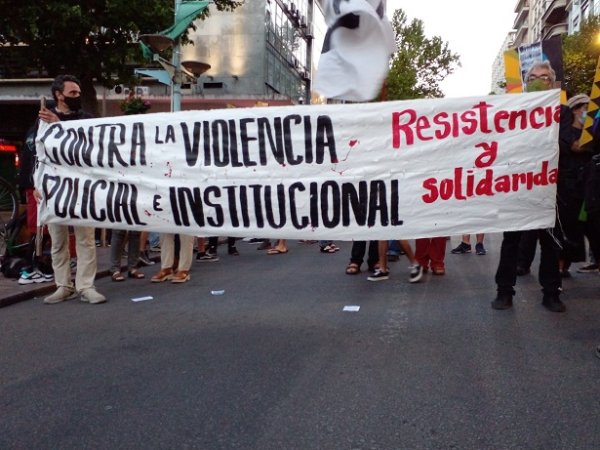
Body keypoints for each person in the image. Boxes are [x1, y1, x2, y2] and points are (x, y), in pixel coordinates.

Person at [491, 60, 564, 313]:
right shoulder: (513, 113)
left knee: (550, 244)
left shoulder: (561, 113)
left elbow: (567, 147)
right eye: (532, 77)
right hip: (517, 188)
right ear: (525, 82)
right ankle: (504, 292)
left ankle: (551, 293)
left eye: (543, 78)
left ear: (552, 83)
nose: (537, 81)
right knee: (511, 242)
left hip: (549, 191)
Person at [37, 75, 106, 304]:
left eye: (78, 93)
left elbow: (86, 149)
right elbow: (37, 154)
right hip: (54, 190)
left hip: (81, 189)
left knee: (85, 239)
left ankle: (86, 286)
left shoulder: (86, 120)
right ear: (59, 95)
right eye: (73, 93)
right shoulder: (42, 120)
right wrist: (36, 184)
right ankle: (63, 285)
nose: (77, 96)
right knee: (58, 240)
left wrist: (59, 125)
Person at [557, 93, 600, 277]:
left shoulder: (593, 134)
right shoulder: (565, 133)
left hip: (589, 190)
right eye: (585, 109)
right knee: (568, 230)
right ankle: (560, 267)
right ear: (574, 110)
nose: (587, 114)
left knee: (594, 229)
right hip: (568, 190)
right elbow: (575, 147)